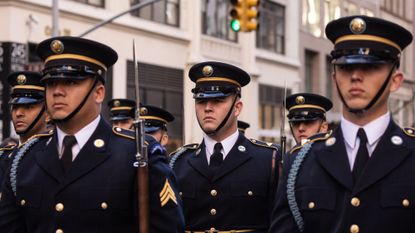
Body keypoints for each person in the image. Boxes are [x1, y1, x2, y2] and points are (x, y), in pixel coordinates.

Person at [0, 36, 184, 233]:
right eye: (51, 83)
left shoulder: (137, 153)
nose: (57, 92)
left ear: (99, 93)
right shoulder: (24, 158)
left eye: (70, 82)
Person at [269, 15, 414, 233]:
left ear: (395, 80)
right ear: (334, 76)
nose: (355, 76)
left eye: (371, 67)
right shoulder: (301, 162)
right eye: (346, 67)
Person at [170, 61, 280, 232]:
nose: (207, 108)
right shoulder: (178, 163)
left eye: (217, 101)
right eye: (200, 101)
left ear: (237, 108)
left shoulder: (268, 159)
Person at [0, 71, 48, 192]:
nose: (18, 113)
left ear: (47, 113)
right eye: (15, 107)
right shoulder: (4, 156)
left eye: (28, 107)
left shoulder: (53, 155)